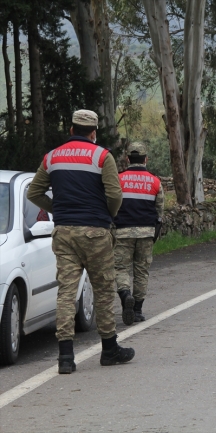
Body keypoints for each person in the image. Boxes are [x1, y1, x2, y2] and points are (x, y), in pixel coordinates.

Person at [27, 109, 135, 374]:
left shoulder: (52, 157)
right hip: (95, 231)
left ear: (72, 129)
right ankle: (109, 349)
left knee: (66, 291)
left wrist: (56, 209)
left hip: (63, 232)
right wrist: (107, 215)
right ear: (94, 132)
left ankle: (65, 357)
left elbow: (33, 192)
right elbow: (115, 195)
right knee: (103, 289)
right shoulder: (102, 156)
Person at [113, 142, 164, 325]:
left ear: (127, 159)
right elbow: (160, 212)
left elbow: (110, 204)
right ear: (146, 159)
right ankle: (137, 310)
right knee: (141, 271)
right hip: (146, 232)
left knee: (121, 268)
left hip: (122, 232)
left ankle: (125, 294)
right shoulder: (155, 182)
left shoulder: (118, 179)